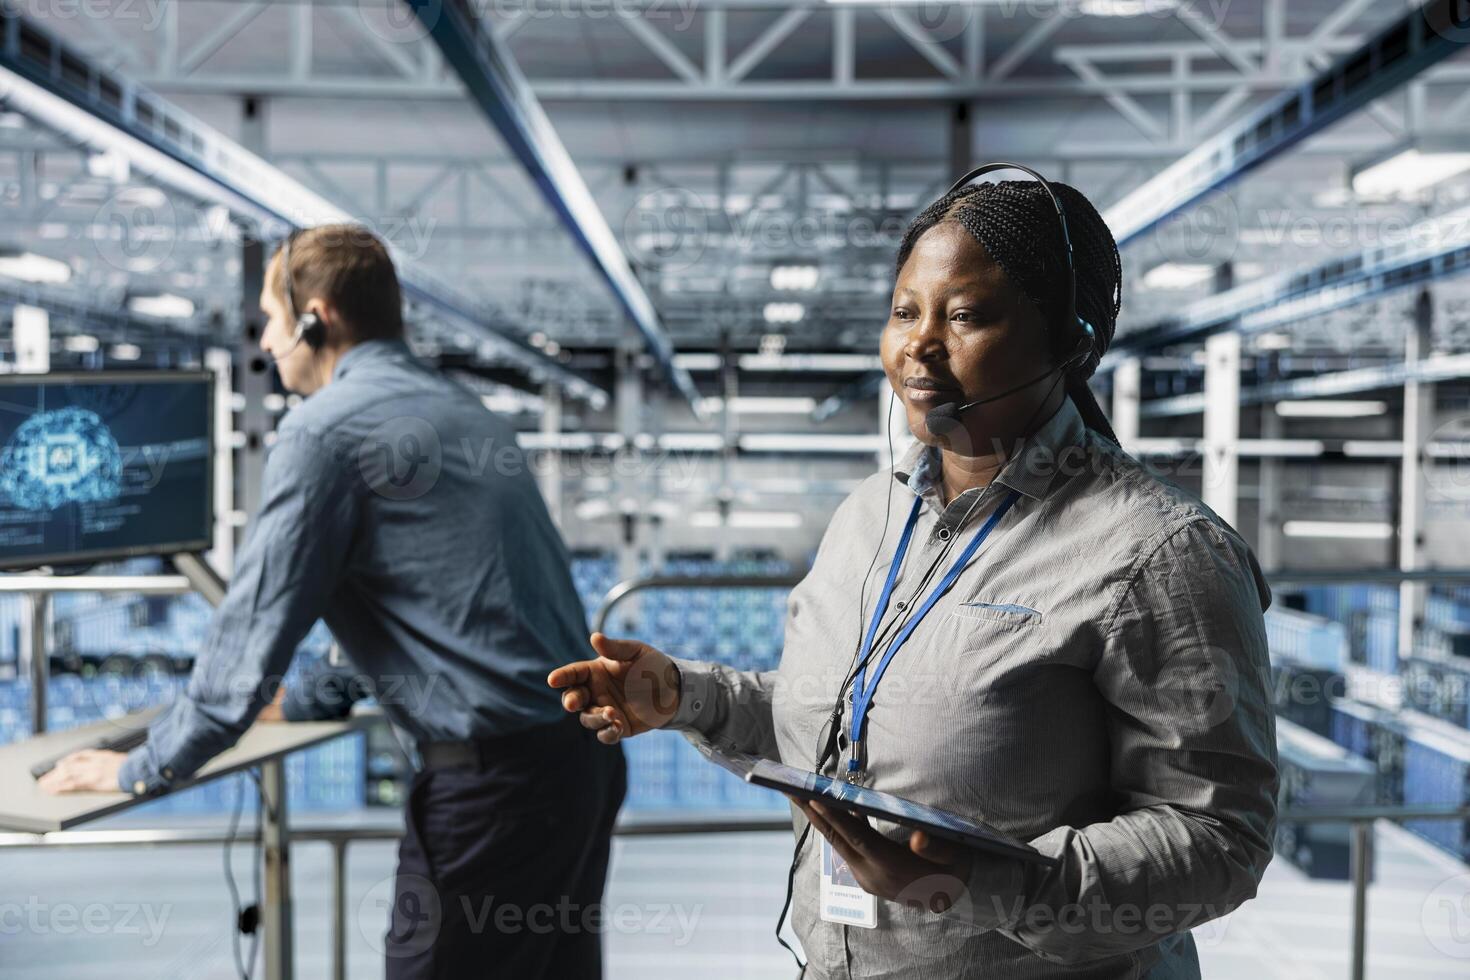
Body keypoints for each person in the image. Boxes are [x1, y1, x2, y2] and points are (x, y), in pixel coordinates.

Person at [549, 173, 1278, 978]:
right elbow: (840, 733)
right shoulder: (871, 516)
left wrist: (983, 884)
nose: (919, 345)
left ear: (1070, 343)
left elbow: (1219, 837)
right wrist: (691, 698)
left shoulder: (1159, 552)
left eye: (964, 315)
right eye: (904, 312)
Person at [41, 224, 626, 979]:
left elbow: (251, 635)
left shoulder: (323, 434)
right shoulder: (465, 415)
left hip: (493, 794)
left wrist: (139, 768)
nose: (264, 334)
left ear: (316, 318)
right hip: (577, 766)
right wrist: (314, 697)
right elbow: (445, 602)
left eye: (270, 317)